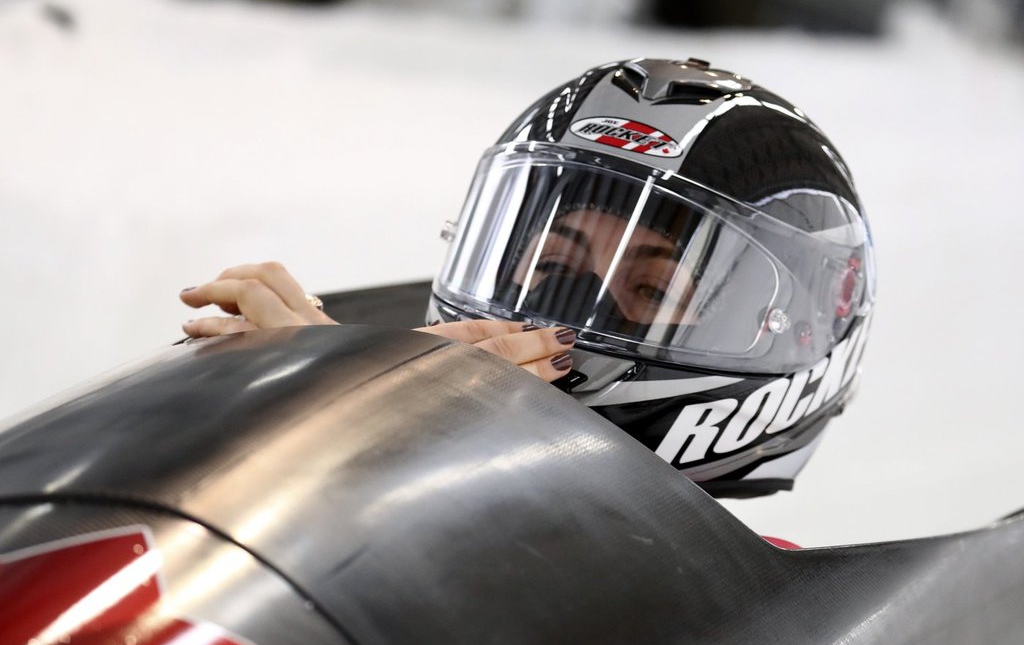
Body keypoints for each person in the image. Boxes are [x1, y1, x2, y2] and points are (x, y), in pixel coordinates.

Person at [182, 57, 876, 498]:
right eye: (553, 268)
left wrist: (372, 456)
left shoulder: (777, 616)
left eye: (653, 292)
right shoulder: (410, 435)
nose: (567, 320)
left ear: (800, 335)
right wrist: (313, 414)